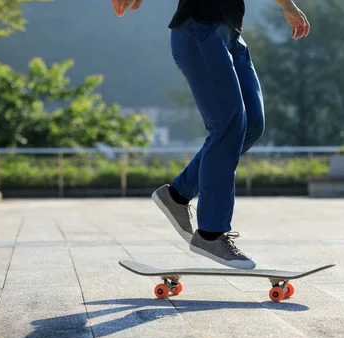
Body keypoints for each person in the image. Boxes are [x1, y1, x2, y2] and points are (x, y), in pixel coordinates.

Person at [112, 0, 310, 269]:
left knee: (251, 125)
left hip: (231, 35)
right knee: (228, 124)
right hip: (199, 29)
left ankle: (178, 195)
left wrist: (287, 5)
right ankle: (210, 234)